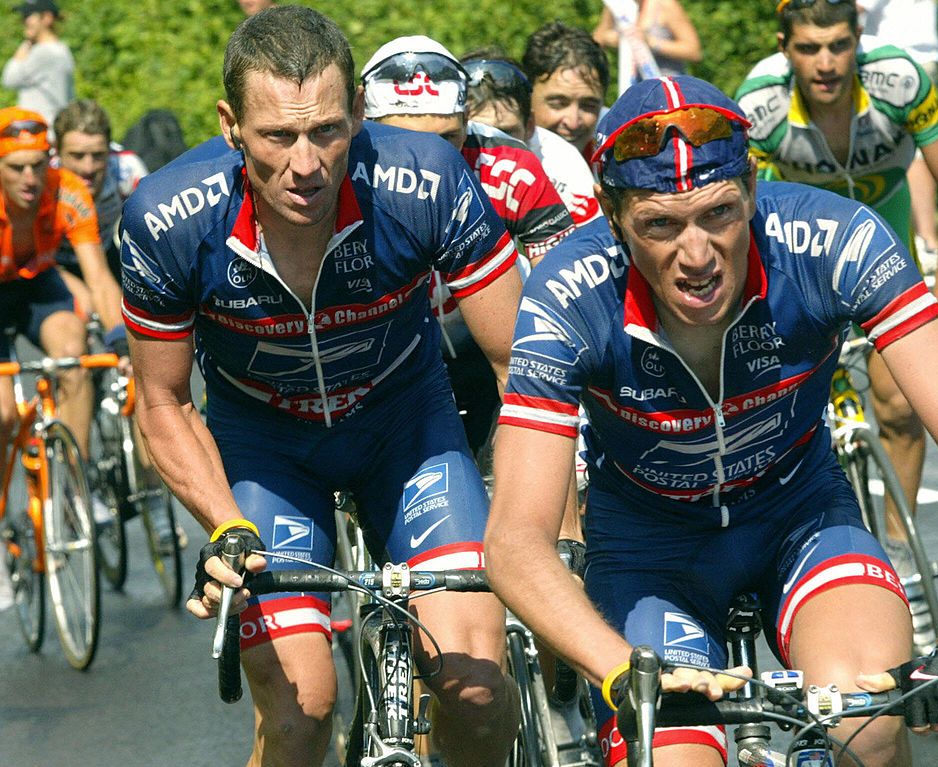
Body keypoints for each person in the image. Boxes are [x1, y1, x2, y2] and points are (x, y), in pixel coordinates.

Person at [484, 74, 938, 767]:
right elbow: (513, 541)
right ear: (614, 220)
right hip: (651, 548)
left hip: (798, 514)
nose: (698, 253)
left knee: (871, 726)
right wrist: (621, 669)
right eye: (660, 224)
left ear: (753, 194)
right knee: (668, 756)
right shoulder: (568, 291)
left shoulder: (830, 239)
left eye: (720, 214)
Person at [119, 8, 520, 767]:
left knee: (475, 690)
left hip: (408, 430)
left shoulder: (424, 179)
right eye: (277, 137)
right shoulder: (168, 219)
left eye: (328, 131)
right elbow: (163, 400)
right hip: (267, 450)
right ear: (231, 125)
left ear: (360, 114)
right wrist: (224, 526)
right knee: (303, 712)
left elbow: (520, 365)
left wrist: (539, 517)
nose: (306, 164)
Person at [735, 0, 938, 650]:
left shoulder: (899, 81)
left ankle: (899, 550)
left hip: (885, 236)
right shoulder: (756, 106)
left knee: (901, 404)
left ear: (858, 40)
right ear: (784, 47)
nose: (826, 63)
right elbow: (744, 227)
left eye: (839, 45)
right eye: (809, 48)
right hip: (805, 255)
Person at [360, 35, 575, 456]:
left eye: (449, 137)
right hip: (387, 357)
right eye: (409, 141)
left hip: (487, 351)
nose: (434, 159)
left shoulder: (510, 164)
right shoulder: (341, 168)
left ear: (466, 120)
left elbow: (567, 295)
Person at [0, 107, 124, 479]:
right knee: (3, 414)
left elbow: (99, 278)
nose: (30, 178)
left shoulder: (68, 190)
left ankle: (75, 487)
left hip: (36, 283)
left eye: (38, 165)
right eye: (16, 167)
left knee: (74, 356)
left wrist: (121, 343)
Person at [462, 50, 603, 227]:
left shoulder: (561, 160)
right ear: (456, 129)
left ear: (529, 127)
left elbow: (589, 245)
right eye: (477, 132)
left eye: (506, 132)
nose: (492, 147)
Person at [858, 0, 938, 271]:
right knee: (919, 146)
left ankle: (925, 240)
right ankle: (927, 240)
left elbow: (853, 7)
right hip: (919, 52)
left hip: (896, 61)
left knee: (905, 149)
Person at [53, 99, 148, 303]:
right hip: (53, 262)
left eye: (98, 155)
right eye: (77, 156)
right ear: (57, 152)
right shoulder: (43, 175)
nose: (88, 168)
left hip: (103, 254)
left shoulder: (127, 170)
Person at [522, 22, 610, 161]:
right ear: (525, 99)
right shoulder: (489, 157)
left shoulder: (612, 157)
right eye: (558, 103)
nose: (573, 122)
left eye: (589, 106)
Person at [2, 0, 75, 128]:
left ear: (46, 18)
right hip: (50, 128)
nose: (23, 21)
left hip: (41, 132)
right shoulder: (60, 49)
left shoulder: (45, 53)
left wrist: (26, 43)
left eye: (28, 16)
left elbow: (9, 79)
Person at [593, 0, 703, 84]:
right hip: (635, 91)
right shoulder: (617, 6)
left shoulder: (664, 4)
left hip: (669, 88)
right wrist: (613, 39)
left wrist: (651, 43)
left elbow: (694, 52)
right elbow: (595, 44)